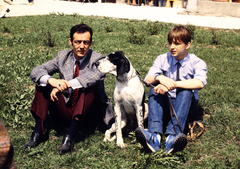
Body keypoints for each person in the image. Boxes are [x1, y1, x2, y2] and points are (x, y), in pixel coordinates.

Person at [23, 23, 114, 155]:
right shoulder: (62, 57)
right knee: (42, 82)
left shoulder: (98, 59)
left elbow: (94, 76)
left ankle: (70, 136)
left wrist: (65, 85)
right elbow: (36, 71)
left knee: (87, 86)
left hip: (89, 115)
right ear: (71, 42)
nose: (82, 46)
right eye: (77, 42)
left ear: (91, 43)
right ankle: (39, 131)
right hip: (66, 108)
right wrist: (53, 81)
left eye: (86, 42)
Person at [135, 25, 207, 154]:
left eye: (177, 44)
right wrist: (159, 78)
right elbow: (147, 80)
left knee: (185, 91)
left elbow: (200, 83)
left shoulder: (197, 62)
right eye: (170, 43)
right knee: (155, 89)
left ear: (187, 45)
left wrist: (173, 84)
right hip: (167, 105)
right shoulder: (162, 58)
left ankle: (172, 138)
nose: (172, 47)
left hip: (187, 108)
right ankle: (154, 137)